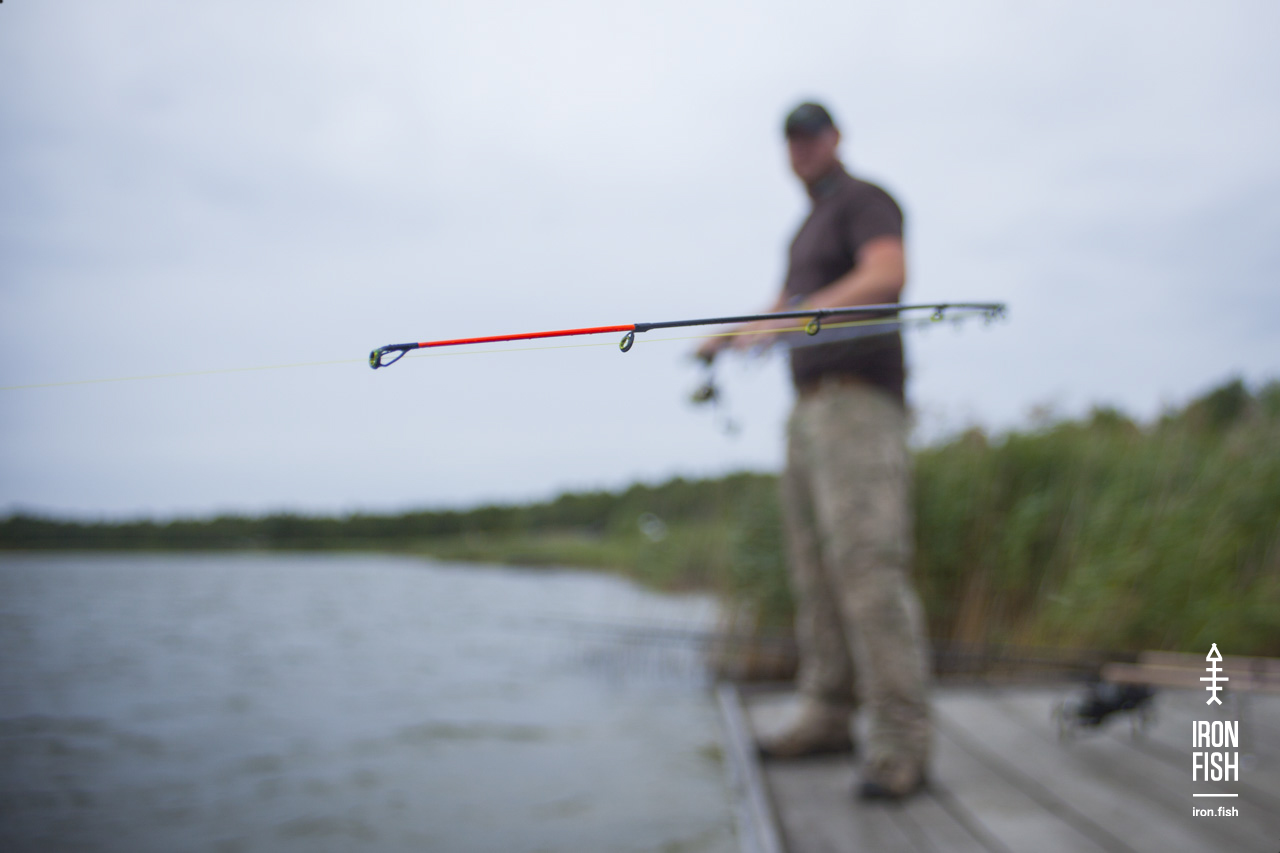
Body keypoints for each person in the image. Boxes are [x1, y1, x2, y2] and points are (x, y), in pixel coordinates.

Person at [697, 101, 931, 800]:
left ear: (835, 138)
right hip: (806, 414)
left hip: (858, 406)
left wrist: (799, 314)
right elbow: (781, 307)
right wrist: (729, 336)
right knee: (815, 572)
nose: (799, 149)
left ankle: (900, 742)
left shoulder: (865, 200)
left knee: (867, 567)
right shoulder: (805, 230)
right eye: (790, 139)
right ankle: (828, 714)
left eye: (810, 135)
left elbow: (886, 274)